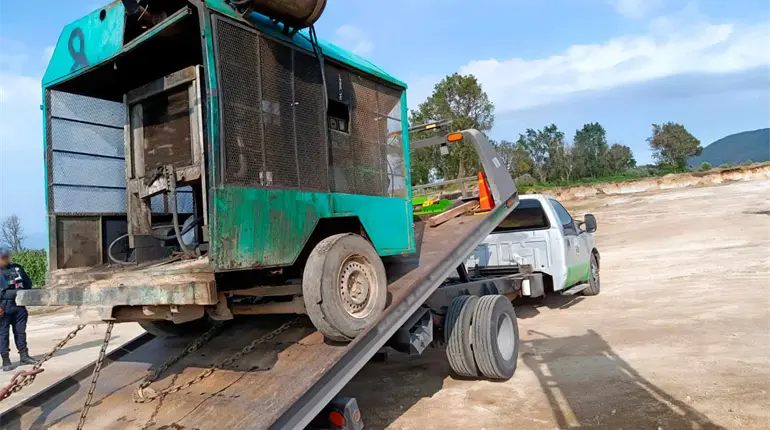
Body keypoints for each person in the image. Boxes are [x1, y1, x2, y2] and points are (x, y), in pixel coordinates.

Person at [0, 247, 37, 371]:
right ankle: (6, 360)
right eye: (3, 257)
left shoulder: (17, 268)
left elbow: (28, 283)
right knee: (3, 334)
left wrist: (23, 293)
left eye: (6, 257)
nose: (6, 259)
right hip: (3, 307)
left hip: (19, 305)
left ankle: (24, 356)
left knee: (20, 332)